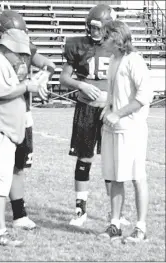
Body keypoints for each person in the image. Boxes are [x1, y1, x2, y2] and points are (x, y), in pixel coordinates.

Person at [0, 10, 56, 232]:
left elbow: (49, 65)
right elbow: (0, 88)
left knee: (18, 165)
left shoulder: (24, 50)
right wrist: (28, 84)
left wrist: (41, 79)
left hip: (21, 113)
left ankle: (19, 214)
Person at [60, 4, 130, 227]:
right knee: (84, 158)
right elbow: (64, 78)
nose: (95, 32)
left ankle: (115, 213)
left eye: (100, 27)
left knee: (112, 160)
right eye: (92, 27)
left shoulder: (115, 46)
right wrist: (81, 84)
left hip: (109, 110)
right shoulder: (78, 45)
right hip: (87, 108)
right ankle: (80, 211)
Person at [98, 20, 152, 243]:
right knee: (115, 177)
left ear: (117, 38)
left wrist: (118, 113)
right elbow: (114, 93)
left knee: (137, 177)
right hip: (113, 129)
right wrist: (107, 107)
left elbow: (144, 96)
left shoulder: (135, 60)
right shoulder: (113, 60)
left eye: (105, 37)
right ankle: (115, 224)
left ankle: (141, 228)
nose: (102, 41)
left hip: (132, 130)